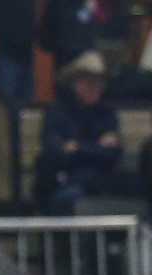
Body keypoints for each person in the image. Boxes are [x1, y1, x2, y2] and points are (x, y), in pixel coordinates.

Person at [35, 50, 122, 215]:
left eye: (99, 82)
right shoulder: (57, 112)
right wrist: (96, 148)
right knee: (70, 198)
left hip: (101, 186)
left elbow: (114, 152)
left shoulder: (107, 114)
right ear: (75, 82)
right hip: (64, 185)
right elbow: (54, 150)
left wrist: (77, 148)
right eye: (89, 82)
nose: (95, 88)